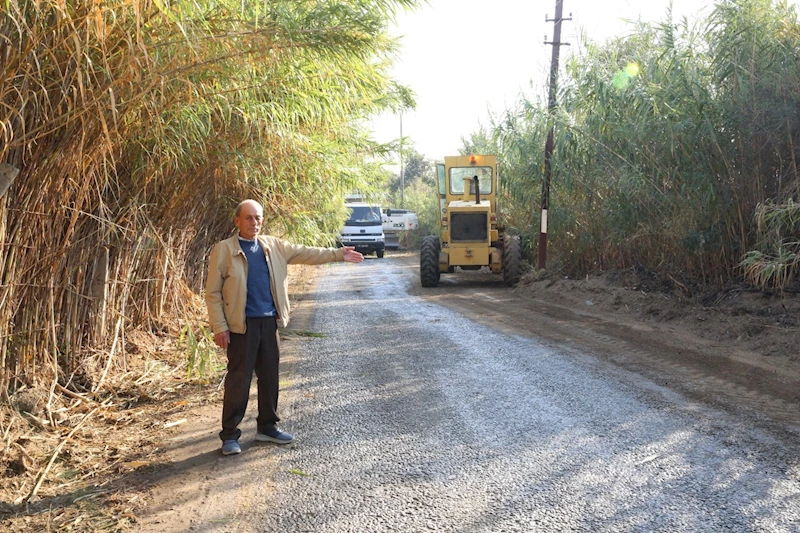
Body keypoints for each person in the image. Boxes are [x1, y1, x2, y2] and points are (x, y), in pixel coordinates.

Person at [205, 199, 364, 455]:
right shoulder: (223, 250)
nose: (254, 223)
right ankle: (230, 436)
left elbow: (306, 253)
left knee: (270, 378)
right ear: (237, 221)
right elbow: (212, 293)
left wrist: (338, 254)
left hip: (269, 323)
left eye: (258, 218)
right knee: (239, 382)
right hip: (240, 327)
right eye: (248, 218)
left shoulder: (273, 246)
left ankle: (267, 427)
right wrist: (219, 327)